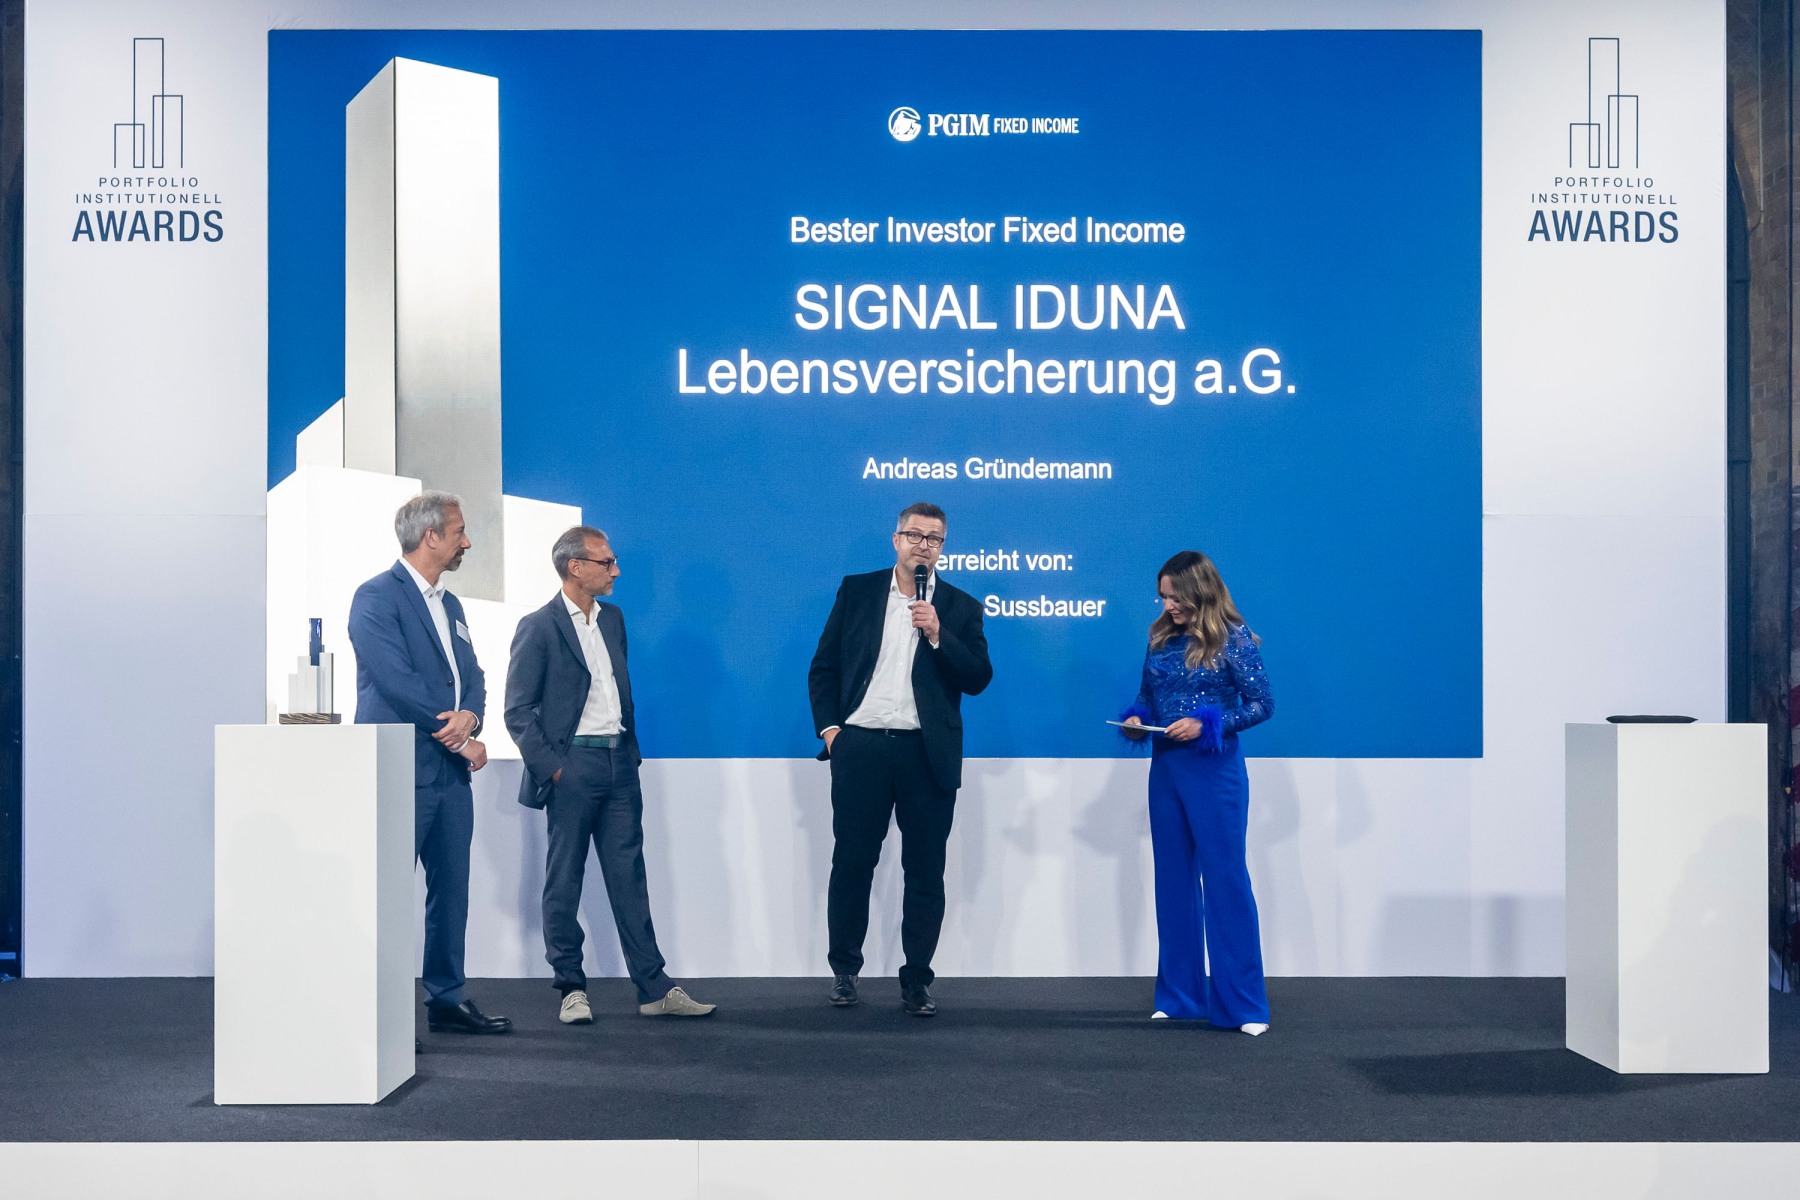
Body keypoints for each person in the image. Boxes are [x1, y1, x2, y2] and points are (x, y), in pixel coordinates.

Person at [504, 526, 715, 1024]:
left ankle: (654, 989)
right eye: (606, 562)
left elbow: (619, 691)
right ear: (575, 567)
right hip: (572, 767)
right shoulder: (538, 627)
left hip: (619, 764)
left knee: (629, 878)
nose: (616, 571)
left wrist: (630, 752)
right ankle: (571, 989)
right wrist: (555, 769)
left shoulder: (614, 620)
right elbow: (518, 711)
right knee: (564, 879)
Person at [808, 502, 993, 1015]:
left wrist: (938, 634)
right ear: (896, 540)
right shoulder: (858, 591)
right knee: (852, 864)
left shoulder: (960, 607)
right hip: (861, 748)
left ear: (942, 548)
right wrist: (832, 732)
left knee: (925, 872)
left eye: (933, 539)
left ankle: (917, 981)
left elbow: (978, 678)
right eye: (914, 535)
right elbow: (824, 668)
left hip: (925, 753)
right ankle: (845, 971)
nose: (922, 546)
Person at [347, 491, 510, 1036]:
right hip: (400, 770)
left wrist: (473, 717)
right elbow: (397, 683)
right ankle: (385, 1017)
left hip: (448, 777)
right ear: (430, 536)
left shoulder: (452, 604)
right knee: (389, 896)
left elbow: (474, 675)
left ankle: (446, 999)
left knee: (451, 893)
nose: (468, 542)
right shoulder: (375, 597)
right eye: (459, 532)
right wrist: (461, 738)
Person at [1121, 550, 1274, 1035]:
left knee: (1225, 881)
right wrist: (1137, 718)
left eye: (1176, 597)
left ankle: (1244, 1006)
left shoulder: (1234, 638)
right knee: (1172, 882)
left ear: (1200, 592)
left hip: (1215, 770)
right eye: (1163, 597)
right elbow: (1148, 696)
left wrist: (1209, 722)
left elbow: (1261, 704)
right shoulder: (1160, 639)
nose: (1168, 606)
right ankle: (1181, 997)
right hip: (1166, 768)